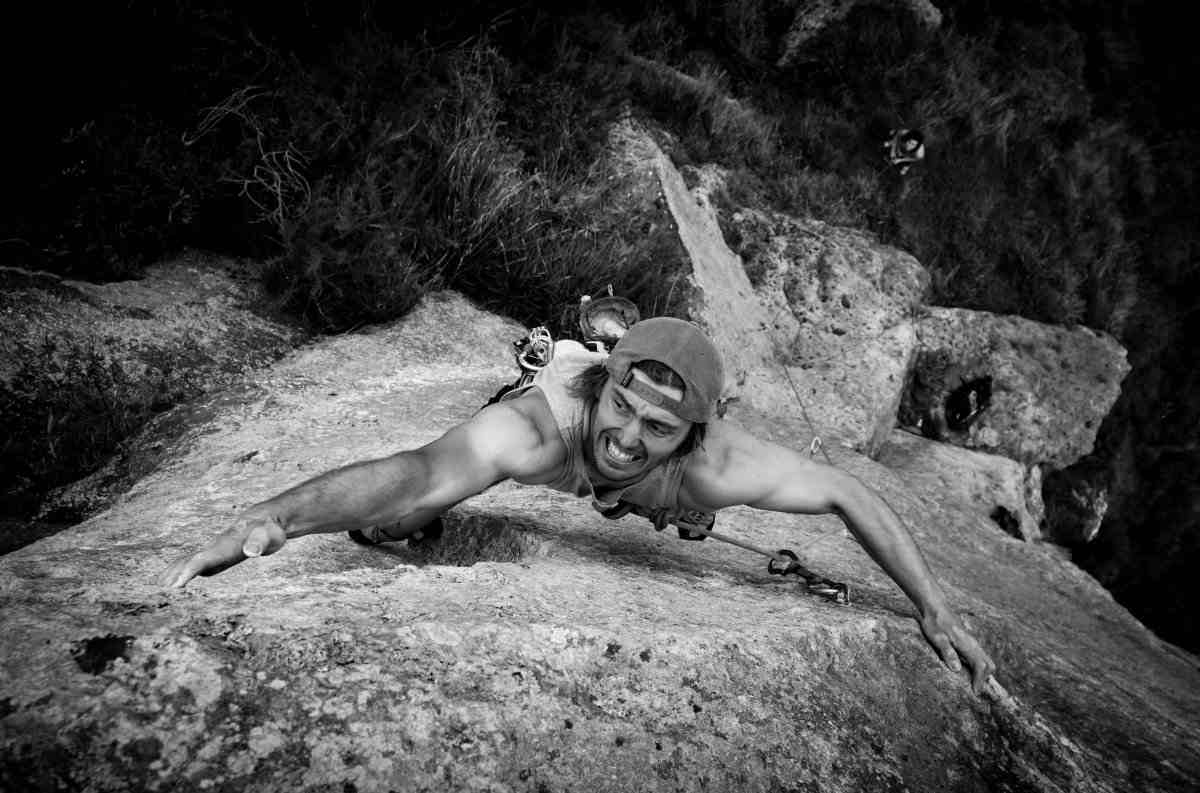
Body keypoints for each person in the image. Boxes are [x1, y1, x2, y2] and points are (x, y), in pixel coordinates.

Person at [161, 317, 996, 693]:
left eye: (659, 426)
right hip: (559, 435)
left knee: (675, 503)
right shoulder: (540, 427)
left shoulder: (715, 462)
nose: (629, 435)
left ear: (695, 434)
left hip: (678, 487)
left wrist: (936, 607)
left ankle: (659, 495)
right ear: (600, 382)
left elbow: (849, 491)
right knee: (399, 522)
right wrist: (272, 518)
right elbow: (416, 472)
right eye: (623, 405)